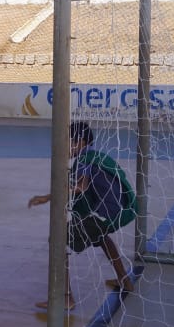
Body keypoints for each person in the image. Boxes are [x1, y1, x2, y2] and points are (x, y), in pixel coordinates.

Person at [28, 120, 137, 310]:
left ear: (80, 142)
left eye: (67, 142)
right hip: (119, 212)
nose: (64, 147)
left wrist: (47, 197)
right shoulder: (96, 156)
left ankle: (65, 297)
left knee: (57, 239)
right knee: (101, 237)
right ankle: (124, 279)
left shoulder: (84, 160)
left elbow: (80, 187)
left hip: (104, 214)